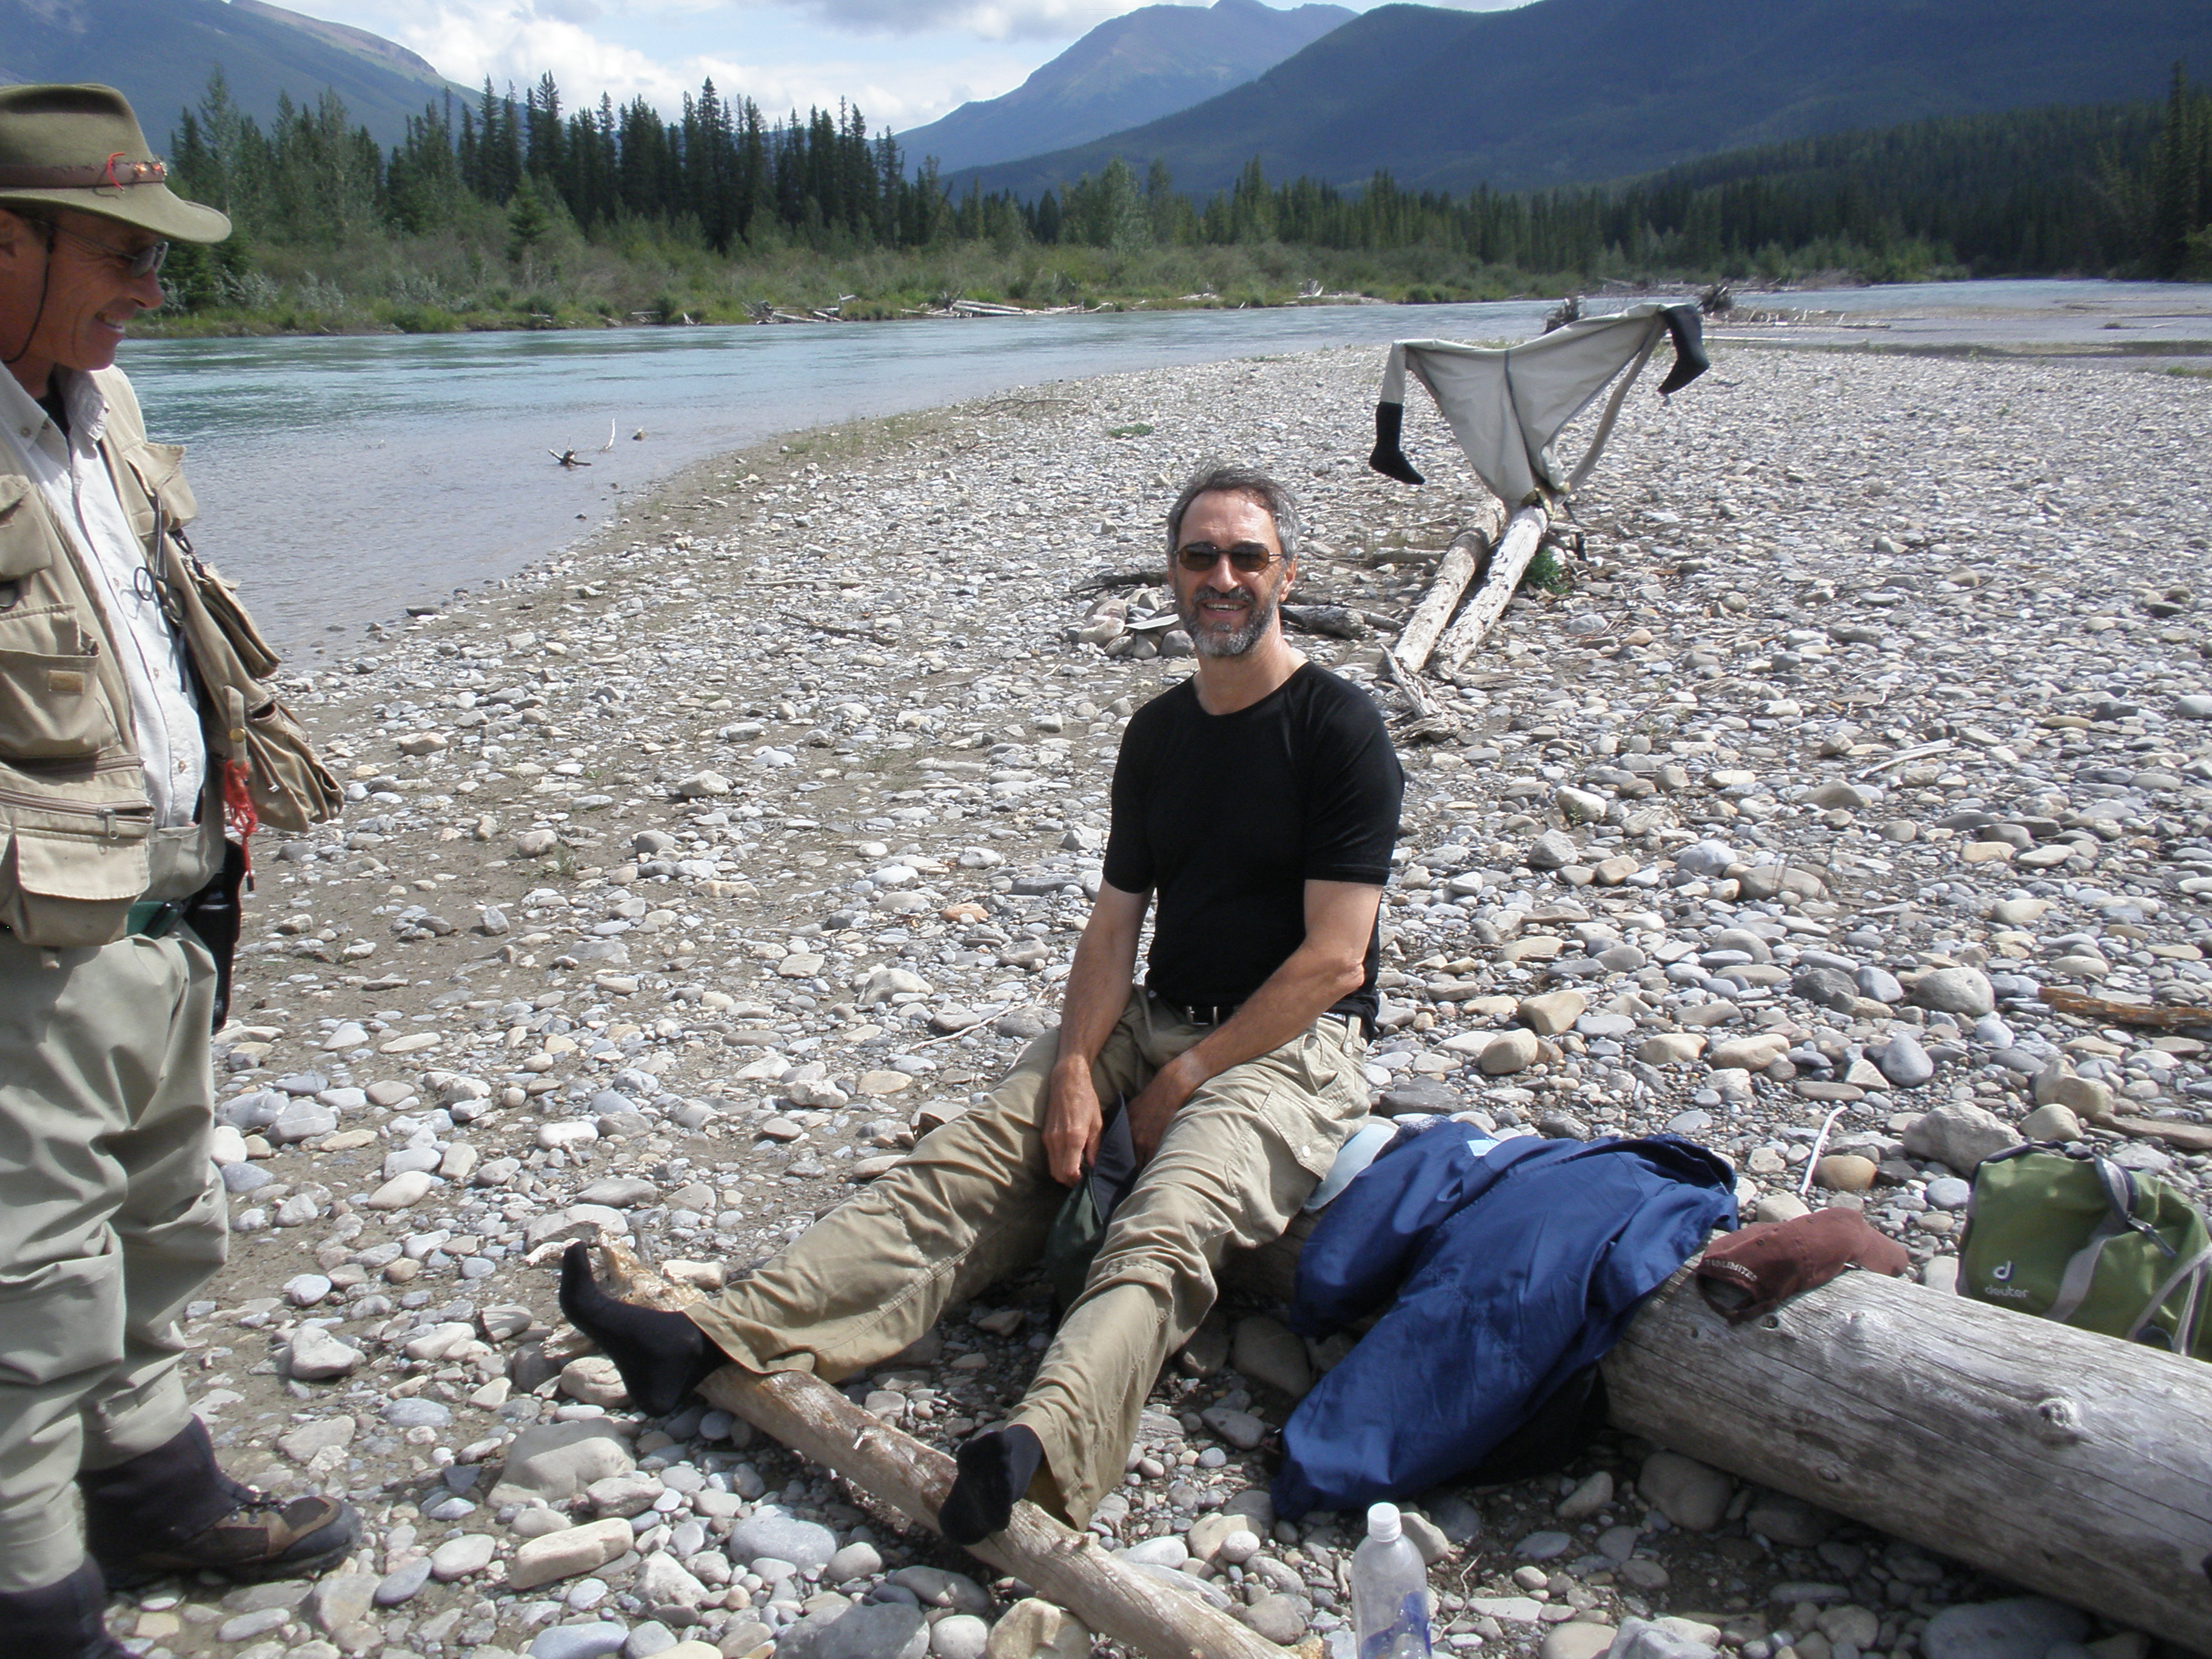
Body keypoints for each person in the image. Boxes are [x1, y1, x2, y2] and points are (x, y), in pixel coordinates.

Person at [563, 461, 1404, 1544]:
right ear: (1171, 573)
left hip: (1291, 1044)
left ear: (1288, 574)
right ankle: (712, 1338)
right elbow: (1115, 925)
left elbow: (1336, 962)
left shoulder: (1338, 729)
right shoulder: (1159, 734)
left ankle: (1039, 1454)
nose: (1223, 577)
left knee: (1167, 1220)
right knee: (968, 1162)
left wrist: (1182, 1083)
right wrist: (1074, 1069)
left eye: (1248, 556)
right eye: (1201, 556)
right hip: (1157, 1013)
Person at [0, 84, 354, 1657]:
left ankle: (148, 1483)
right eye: (122, 255)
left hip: (169, 904)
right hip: (28, 947)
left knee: (162, 1220)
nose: (152, 289)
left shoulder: (108, 408)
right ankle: (33, 1590)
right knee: (26, 1282)